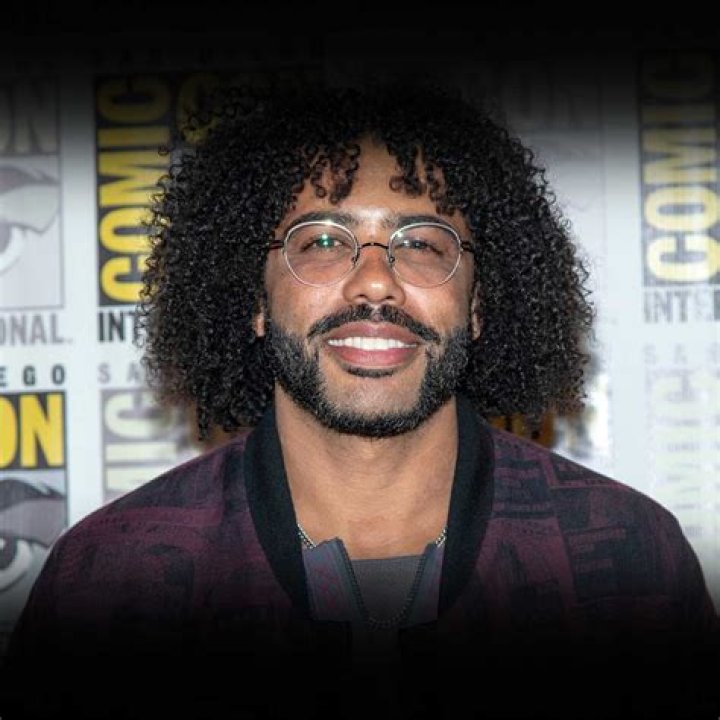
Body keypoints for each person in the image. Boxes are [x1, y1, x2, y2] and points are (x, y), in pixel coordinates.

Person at [1, 81, 718, 720]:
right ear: (254, 299)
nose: (375, 281)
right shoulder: (110, 584)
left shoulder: (633, 566)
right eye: (321, 240)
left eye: (423, 244)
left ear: (478, 305)